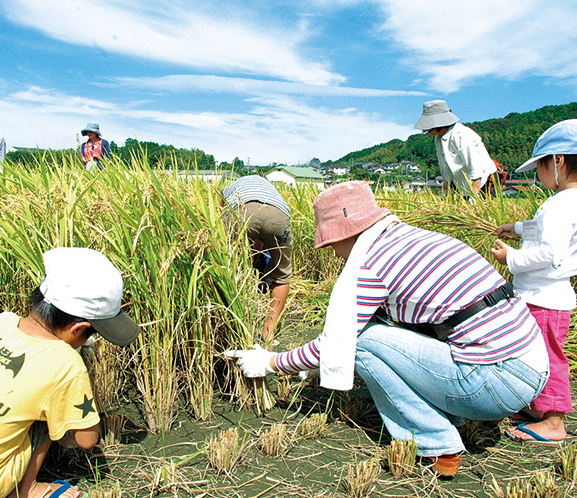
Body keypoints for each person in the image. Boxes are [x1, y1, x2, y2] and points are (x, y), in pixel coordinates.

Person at [226, 181, 548, 476]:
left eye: (331, 243)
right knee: (376, 333)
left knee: (363, 344)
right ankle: (451, 419)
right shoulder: (410, 240)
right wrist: (311, 368)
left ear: (342, 233)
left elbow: (339, 343)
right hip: (531, 369)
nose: (334, 253)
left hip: (497, 382)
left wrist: (269, 362)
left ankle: (436, 444)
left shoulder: (371, 263)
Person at [0, 247, 141, 498]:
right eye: (92, 333)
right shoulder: (65, 363)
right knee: (48, 415)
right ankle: (27, 490)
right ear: (78, 329)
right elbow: (86, 440)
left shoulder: (1, 322)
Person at [492, 120, 577, 445]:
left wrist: (510, 258)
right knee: (536, 354)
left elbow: (550, 252)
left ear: (557, 161)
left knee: (548, 358)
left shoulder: (558, 205)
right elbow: (543, 229)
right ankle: (534, 407)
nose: (538, 174)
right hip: (550, 294)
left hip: (543, 297)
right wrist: (516, 227)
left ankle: (554, 421)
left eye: (540, 165)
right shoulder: (570, 202)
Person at [220, 175, 292, 345]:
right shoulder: (269, 188)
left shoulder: (227, 190)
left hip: (243, 210)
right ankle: (269, 330)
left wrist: (245, 265)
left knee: (228, 266)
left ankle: (236, 323)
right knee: (281, 275)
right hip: (278, 214)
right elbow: (259, 234)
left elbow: (219, 211)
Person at [415, 100, 498, 197]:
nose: (426, 130)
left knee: (478, 210)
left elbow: (476, 169)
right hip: (463, 185)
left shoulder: (461, 135)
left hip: (483, 183)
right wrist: (445, 194)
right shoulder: (439, 139)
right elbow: (446, 169)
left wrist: (474, 197)